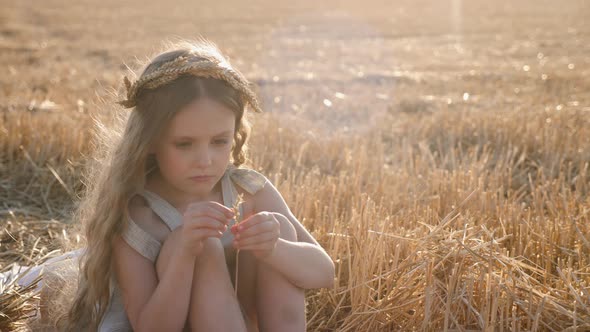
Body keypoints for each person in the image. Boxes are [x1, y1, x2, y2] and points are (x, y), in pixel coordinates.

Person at [16, 38, 335, 331]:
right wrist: (182, 251)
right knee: (202, 245)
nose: (205, 160)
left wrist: (273, 248)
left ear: (235, 133)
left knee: (274, 226)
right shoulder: (139, 215)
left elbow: (324, 273)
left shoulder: (249, 190)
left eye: (219, 141)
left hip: (243, 320)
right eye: (184, 144)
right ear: (151, 140)